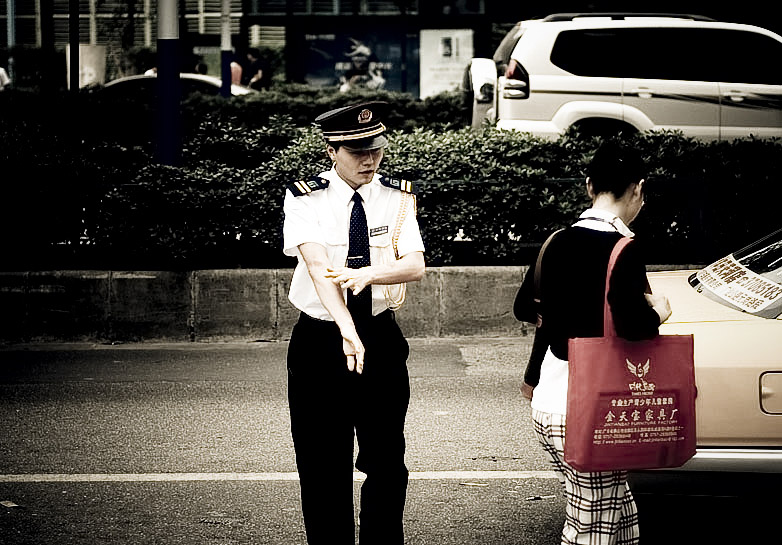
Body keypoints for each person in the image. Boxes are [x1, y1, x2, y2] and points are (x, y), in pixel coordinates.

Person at [513, 139, 672, 545]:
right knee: (590, 532)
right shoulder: (624, 248)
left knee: (620, 515)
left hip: (549, 404)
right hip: (595, 412)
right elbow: (636, 326)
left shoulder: (555, 241)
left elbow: (524, 309)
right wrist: (661, 309)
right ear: (638, 189)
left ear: (588, 186)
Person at [282, 101, 426, 545]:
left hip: (380, 337)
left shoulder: (398, 198)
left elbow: (415, 264)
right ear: (332, 150)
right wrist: (345, 325)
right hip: (322, 340)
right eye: (356, 150)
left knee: (387, 459)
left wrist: (369, 274)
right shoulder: (306, 198)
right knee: (323, 463)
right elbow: (318, 264)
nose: (369, 159)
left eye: (375, 149)